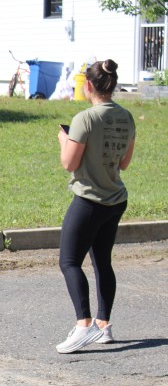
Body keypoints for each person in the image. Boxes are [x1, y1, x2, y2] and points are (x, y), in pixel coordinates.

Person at [54, 59, 135, 353]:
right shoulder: (127, 117)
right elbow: (124, 163)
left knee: (69, 261)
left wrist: (64, 140)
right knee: (102, 261)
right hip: (116, 199)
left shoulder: (84, 119)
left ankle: (84, 325)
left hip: (89, 200)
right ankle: (103, 325)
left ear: (88, 85)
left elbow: (69, 163)